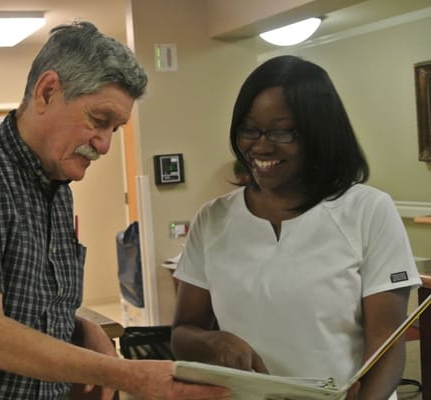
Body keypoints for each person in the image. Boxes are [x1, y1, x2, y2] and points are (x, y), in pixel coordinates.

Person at [0, 21, 229, 400]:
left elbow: (27, 305)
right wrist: (128, 375)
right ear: (47, 92)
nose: (103, 145)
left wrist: (80, 327)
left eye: (116, 129)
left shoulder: (57, 188)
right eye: (99, 121)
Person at [171, 55, 421, 400]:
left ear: (319, 132)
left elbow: (386, 345)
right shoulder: (213, 219)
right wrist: (214, 342)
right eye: (249, 129)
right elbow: (183, 332)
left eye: (281, 131)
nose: (260, 145)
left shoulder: (367, 210)